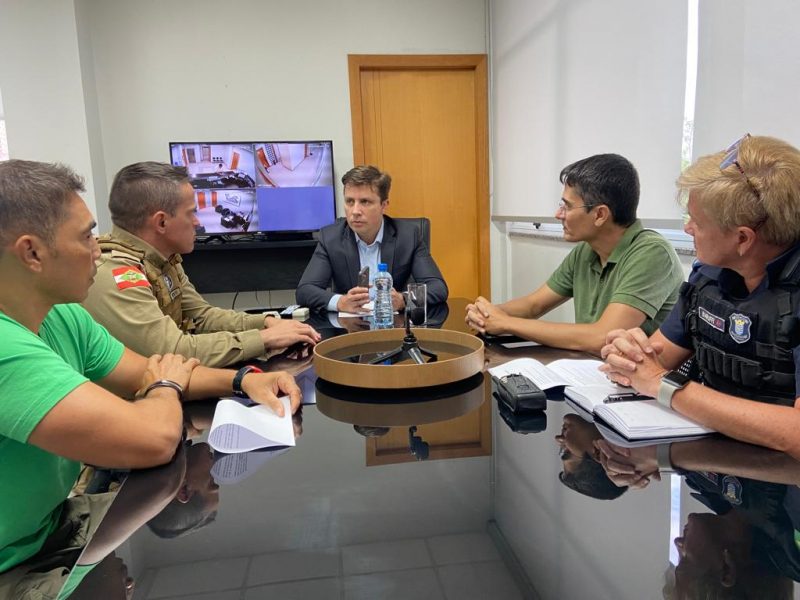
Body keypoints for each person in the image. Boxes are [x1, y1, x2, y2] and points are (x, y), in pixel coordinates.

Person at [0, 160, 302, 588]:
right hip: (15, 564)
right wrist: (165, 386)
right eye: (86, 234)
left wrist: (244, 380)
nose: (97, 246)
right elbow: (156, 438)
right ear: (32, 253)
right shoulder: (5, 349)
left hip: (50, 531)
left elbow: (144, 368)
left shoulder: (64, 315)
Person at [600, 135, 800, 460]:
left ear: (743, 238)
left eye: (698, 221)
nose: (688, 227)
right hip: (712, 467)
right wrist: (627, 357)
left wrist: (664, 386)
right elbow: (653, 363)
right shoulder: (709, 275)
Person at [82, 161, 320, 368]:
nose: (197, 222)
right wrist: (264, 339)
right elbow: (174, 350)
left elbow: (203, 317)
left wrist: (266, 321)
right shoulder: (117, 275)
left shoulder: (161, 258)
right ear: (161, 222)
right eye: (191, 213)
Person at [466, 154, 684, 356]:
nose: (558, 214)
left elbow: (602, 337)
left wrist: (505, 323)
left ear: (600, 214)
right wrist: (487, 314)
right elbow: (534, 305)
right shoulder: (586, 250)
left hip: (636, 387)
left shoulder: (653, 253)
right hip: (591, 370)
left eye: (567, 206)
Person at [295, 165, 448, 313]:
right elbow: (305, 291)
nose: (355, 211)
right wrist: (340, 302)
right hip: (350, 330)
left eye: (365, 202)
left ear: (384, 205)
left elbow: (438, 288)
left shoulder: (408, 236)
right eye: (349, 201)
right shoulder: (330, 238)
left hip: (394, 328)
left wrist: (404, 300)